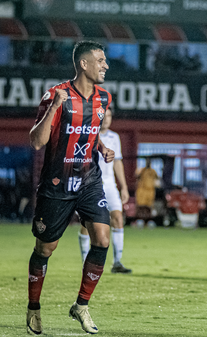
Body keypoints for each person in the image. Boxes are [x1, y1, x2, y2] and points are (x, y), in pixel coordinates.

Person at [27, 40, 113, 335]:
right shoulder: (56, 95)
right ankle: (34, 307)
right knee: (45, 248)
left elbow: (88, 132)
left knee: (102, 238)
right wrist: (54, 107)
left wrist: (100, 147)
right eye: (100, 60)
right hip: (56, 184)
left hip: (89, 180)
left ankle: (82, 305)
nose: (106, 65)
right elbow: (37, 141)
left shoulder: (104, 98)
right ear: (84, 64)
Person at [78, 107, 131, 274]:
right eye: (103, 116)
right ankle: (85, 262)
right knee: (88, 223)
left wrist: (123, 186)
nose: (107, 119)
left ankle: (117, 262)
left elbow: (117, 162)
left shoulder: (114, 137)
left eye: (109, 116)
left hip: (109, 183)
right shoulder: (87, 135)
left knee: (117, 218)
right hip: (90, 184)